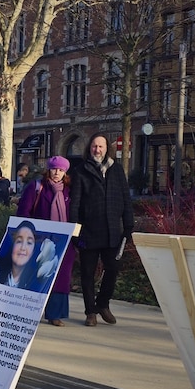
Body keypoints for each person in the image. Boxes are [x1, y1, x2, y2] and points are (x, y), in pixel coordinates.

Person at [69, 132, 134, 327]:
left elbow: (125, 198)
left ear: (107, 149)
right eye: (94, 146)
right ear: (90, 148)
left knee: (113, 269)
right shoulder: (80, 171)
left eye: (101, 146)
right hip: (89, 231)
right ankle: (91, 312)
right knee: (88, 274)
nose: (97, 150)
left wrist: (128, 224)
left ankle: (103, 304)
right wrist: (75, 231)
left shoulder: (117, 170)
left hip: (112, 230)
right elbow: (75, 204)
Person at [17, 155, 76, 326]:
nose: (57, 173)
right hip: (40, 240)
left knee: (61, 277)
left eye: (60, 170)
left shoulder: (69, 190)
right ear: (48, 170)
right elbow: (23, 213)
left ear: (65, 172)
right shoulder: (36, 187)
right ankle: (30, 311)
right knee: (37, 275)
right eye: (54, 169)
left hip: (63, 240)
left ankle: (55, 314)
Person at [0, 220, 38, 290]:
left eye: (29, 243)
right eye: (19, 241)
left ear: (33, 251)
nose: (23, 248)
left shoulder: (37, 281)